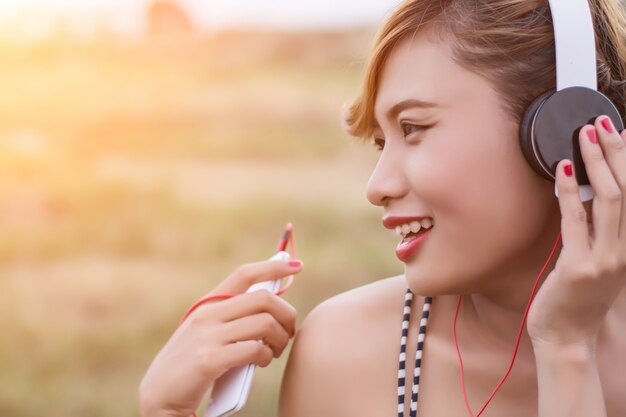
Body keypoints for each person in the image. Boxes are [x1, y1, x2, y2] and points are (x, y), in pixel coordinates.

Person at [139, 0, 626, 416]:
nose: (377, 187)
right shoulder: (342, 355)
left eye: (413, 128)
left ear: (565, 132)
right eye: (380, 143)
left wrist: (565, 350)